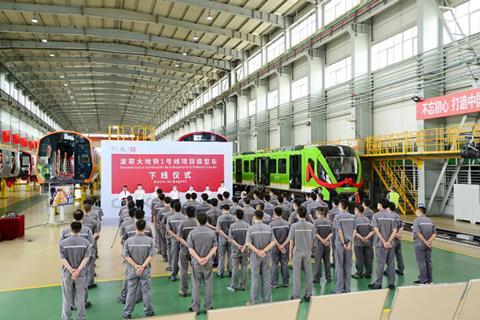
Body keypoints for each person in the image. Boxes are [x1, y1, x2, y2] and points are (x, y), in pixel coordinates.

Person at [122, 220, 156, 319]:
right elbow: (151, 255)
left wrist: (136, 266)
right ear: (145, 227)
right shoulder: (150, 241)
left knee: (131, 292)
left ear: (135, 227)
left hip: (132, 270)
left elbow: (126, 256)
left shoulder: (129, 241)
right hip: (145, 271)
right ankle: (148, 311)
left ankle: (127, 313)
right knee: (146, 291)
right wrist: (142, 266)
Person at [60, 221, 91, 320]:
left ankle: (66, 318)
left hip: (67, 273)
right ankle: (81, 318)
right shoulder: (86, 243)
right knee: (80, 297)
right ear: (80, 229)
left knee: (66, 297)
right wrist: (77, 270)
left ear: (70, 229)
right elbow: (86, 258)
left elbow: (63, 259)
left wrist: (71, 270)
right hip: (81, 274)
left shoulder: (63, 243)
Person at [187, 213, 217, 314]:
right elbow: (214, 247)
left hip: (196, 263)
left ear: (197, 220)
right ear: (206, 221)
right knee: (208, 283)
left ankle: (195, 307)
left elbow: (190, 249)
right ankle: (208, 306)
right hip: (208, 262)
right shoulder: (212, 233)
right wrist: (207, 257)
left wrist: (199, 259)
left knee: (196, 284)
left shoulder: (192, 233)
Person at [245, 210, 276, 305]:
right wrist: (264, 251)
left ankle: (254, 300)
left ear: (254, 217)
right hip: (266, 256)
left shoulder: (251, 229)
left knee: (255, 279)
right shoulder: (268, 228)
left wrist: (258, 251)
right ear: (263, 217)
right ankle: (267, 299)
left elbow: (248, 243)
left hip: (255, 256)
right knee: (266, 278)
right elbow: (273, 242)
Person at [368, 199, 397, 290]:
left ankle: (378, 284)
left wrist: (384, 242)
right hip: (391, 244)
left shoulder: (376, 216)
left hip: (380, 245)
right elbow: (395, 231)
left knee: (380, 264)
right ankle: (391, 283)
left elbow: (376, 230)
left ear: (380, 205)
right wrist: (388, 241)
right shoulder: (392, 216)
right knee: (391, 264)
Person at [289, 206, 315, 301]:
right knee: (308, 273)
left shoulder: (294, 226)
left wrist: (290, 254)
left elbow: (291, 241)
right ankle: (308, 294)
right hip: (307, 252)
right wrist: (310, 250)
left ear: (297, 214)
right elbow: (312, 241)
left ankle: (296, 296)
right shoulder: (311, 226)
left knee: (296, 275)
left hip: (297, 252)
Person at [333, 199, 355, 294]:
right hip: (349, 245)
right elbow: (354, 231)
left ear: (341, 206)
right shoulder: (353, 217)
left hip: (340, 244)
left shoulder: (337, 217)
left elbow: (339, 231)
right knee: (348, 266)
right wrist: (350, 243)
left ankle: (339, 289)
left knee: (339, 266)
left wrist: (343, 243)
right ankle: (347, 288)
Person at [176, 206, 199, 296]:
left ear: (186, 213)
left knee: (183, 270)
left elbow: (178, 237)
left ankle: (183, 290)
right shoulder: (198, 223)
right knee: (196, 270)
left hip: (185, 249)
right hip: (196, 250)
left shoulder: (182, 223)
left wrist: (188, 245)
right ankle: (196, 289)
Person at [412, 204, 436, 285]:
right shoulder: (430, 221)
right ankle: (430, 279)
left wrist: (425, 242)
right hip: (429, 245)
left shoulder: (417, 220)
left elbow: (418, 233)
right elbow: (434, 234)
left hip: (420, 244)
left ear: (418, 211)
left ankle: (423, 280)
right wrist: (429, 242)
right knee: (428, 261)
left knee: (421, 262)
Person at [227, 209, 250, 292]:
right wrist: (243, 246)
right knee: (244, 267)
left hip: (235, 250)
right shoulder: (247, 226)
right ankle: (244, 285)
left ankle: (233, 285)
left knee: (235, 268)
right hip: (245, 250)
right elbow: (249, 239)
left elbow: (230, 239)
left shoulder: (232, 226)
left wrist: (238, 246)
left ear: (236, 216)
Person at [352, 205, 374, 279]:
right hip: (367, 243)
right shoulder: (368, 220)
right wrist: (366, 238)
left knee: (359, 259)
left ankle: (359, 273)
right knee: (368, 258)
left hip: (358, 243)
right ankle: (368, 273)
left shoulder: (355, 221)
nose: (354, 212)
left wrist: (362, 238)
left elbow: (355, 232)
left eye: (355, 210)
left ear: (357, 211)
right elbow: (372, 231)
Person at [166, 202, 187, 281]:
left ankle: (173, 275)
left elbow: (168, 229)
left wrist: (175, 236)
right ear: (181, 208)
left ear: (174, 209)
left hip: (174, 240)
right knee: (184, 258)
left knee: (174, 257)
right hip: (184, 241)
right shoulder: (185, 218)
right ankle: (184, 274)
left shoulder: (170, 218)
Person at [270, 207, 290, 288]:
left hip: (275, 247)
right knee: (284, 264)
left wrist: (278, 245)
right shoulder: (287, 224)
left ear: (274, 213)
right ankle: (286, 282)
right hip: (285, 247)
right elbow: (289, 236)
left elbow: (272, 237)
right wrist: (283, 245)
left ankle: (274, 283)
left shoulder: (271, 224)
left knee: (275, 264)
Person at [313, 207, 332, 283]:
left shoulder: (316, 222)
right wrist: (326, 240)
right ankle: (329, 277)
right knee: (327, 261)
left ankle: (317, 278)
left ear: (317, 213)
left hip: (319, 244)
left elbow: (316, 234)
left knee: (318, 261)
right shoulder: (329, 221)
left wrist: (322, 240)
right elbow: (331, 233)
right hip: (327, 244)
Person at [216, 204, 236, 278]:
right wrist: (230, 237)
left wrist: (226, 236)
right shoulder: (234, 218)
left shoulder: (220, 218)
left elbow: (219, 230)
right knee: (231, 255)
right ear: (229, 209)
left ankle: (220, 272)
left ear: (223, 209)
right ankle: (230, 271)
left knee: (221, 256)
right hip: (232, 240)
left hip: (222, 239)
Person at [388, 202, 405, 276]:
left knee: (390, 255)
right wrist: (398, 234)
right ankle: (401, 269)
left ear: (388, 208)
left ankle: (389, 270)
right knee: (399, 254)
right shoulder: (397, 216)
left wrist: (395, 235)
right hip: (398, 238)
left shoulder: (389, 216)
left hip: (392, 238)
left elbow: (390, 229)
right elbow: (401, 226)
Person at [327, 197, 340, 267]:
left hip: (334, 231)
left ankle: (335, 262)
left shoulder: (331, 212)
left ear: (332, 203)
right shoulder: (341, 211)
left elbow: (330, 223)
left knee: (334, 246)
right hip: (342, 231)